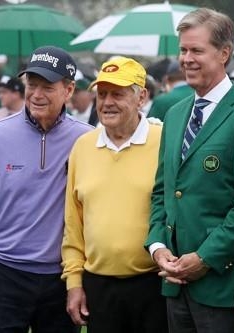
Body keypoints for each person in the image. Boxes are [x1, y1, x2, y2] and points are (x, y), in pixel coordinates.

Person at [145, 8, 234, 333]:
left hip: (224, 286)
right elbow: (163, 191)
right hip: (174, 281)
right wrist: (158, 246)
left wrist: (203, 259)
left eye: (196, 50)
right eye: (183, 50)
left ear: (224, 53)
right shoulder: (174, 114)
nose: (186, 59)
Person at [0, 46, 93, 333]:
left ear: (68, 90)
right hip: (2, 273)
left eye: (47, 87)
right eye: (32, 85)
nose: (36, 94)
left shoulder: (87, 140)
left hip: (61, 277)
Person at [62, 56, 167, 333]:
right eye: (102, 94)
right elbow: (74, 226)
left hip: (153, 284)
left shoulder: (164, 140)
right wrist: (74, 284)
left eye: (118, 94)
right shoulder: (82, 147)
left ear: (141, 97)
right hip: (98, 286)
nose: (107, 102)